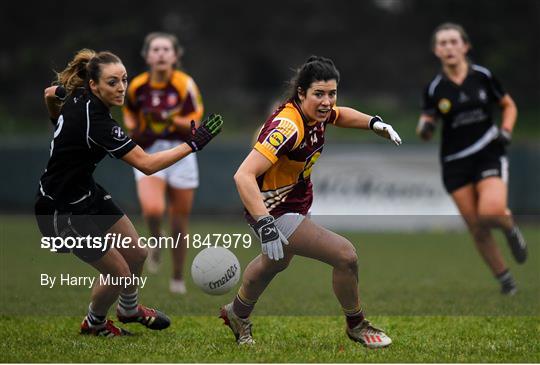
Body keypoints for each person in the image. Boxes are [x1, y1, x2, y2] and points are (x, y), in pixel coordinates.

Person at [35, 49, 222, 336]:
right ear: (94, 85)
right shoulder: (98, 124)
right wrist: (192, 145)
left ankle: (129, 309)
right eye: (112, 82)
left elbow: (50, 94)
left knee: (137, 253)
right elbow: (147, 165)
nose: (122, 88)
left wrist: (57, 123)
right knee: (119, 274)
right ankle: (94, 323)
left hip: (86, 192)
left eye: (124, 79)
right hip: (61, 209)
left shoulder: (76, 94)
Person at [220, 56, 401, 348]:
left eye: (332, 93)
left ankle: (237, 313)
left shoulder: (316, 112)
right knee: (345, 256)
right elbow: (243, 176)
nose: (327, 101)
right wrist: (266, 223)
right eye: (319, 93)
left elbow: (340, 115)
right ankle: (357, 325)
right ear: (301, 93)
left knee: (274, 262)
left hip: (293, 202)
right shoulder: (288, 126)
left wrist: (374, 123)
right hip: (272, 209)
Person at [417, 23, 527, 295]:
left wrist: (506, 130)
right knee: (477, 228)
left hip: (488, 152)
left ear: (465, 46)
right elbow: (426, 125)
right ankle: (506, 281)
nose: (449, 47)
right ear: (436, 51)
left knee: (490, 212)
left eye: (454, 41)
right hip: (455, 163)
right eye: (442, 43)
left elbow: (508, 105)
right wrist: (425, 128)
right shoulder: (434, 88)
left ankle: (510, 229)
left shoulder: (482, 76)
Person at [123, 32, 204, 294]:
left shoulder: (185, 84)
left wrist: (167, 119)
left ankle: (178, 276)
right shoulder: (136, 86)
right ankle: (156, 240)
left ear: (175, 56)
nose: (160, 54)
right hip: (148, 151)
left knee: (179, 223)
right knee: (153, 210)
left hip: (181, 152)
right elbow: (131, 124)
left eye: (165, 49)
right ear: (146, 56)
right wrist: (145, 125)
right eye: (155, 49)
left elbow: (195, 123)